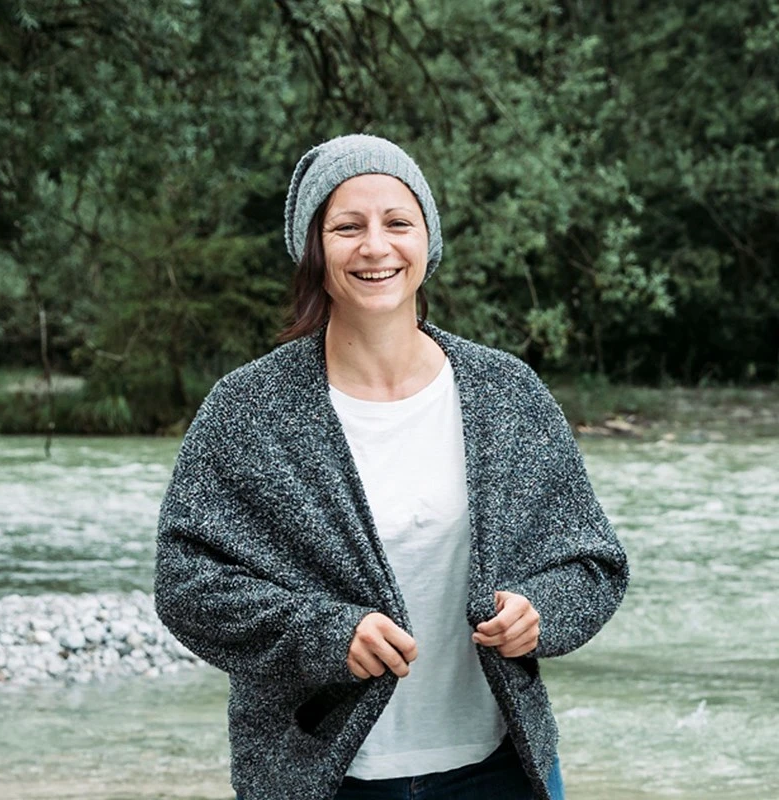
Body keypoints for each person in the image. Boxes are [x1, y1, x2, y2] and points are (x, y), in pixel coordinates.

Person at [154, 134, 629, 800]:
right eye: (348, 227)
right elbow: (187, 584)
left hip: (500, 768)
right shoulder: (247, 409)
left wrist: (540, 611)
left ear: (427, 241)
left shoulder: (507, 394)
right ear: (313, 249)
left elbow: (592, 561)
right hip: (318, 776)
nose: (375, 246)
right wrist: (325, 634)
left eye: (397, 223)